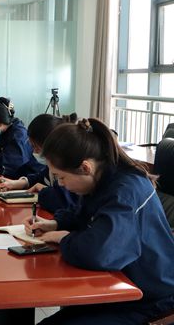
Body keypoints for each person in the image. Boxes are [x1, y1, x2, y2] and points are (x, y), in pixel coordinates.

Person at [24, 118, 174, 324]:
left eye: (61, 177)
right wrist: (56, 223)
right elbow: (83, 213)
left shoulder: (125, 192)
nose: (60, 184)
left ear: (85, 168)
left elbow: (99, 253)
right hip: (123, 283)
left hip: (149, 298)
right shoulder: (105, 178)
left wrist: (63, 238)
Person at [0, 113, 79, 213]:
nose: (34, 152)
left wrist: (44, 190)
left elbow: (65, 201)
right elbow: (41, 177)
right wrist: (18, 183)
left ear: (50, 143)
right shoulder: (53, 162)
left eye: (36, 147)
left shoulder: (70, 166)